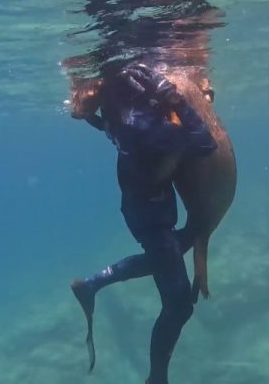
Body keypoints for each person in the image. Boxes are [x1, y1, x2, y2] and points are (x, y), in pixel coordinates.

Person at [70, 61, 217, 384]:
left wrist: (88, 117)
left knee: (182, 242)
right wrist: (179, 102)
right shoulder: (156, 131)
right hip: (154, 217)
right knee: (179, 306)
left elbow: (106, 127)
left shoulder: (121, 119)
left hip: (138, 210)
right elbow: (205, 143)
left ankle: (94, 283)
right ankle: (157, 377)